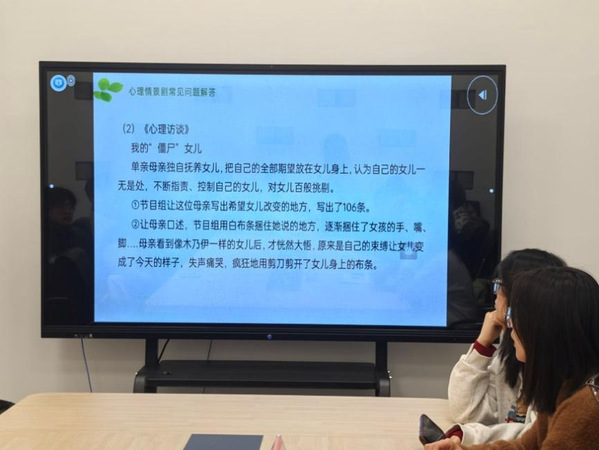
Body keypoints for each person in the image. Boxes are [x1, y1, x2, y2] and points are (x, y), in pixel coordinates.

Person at [424, 266, 599, 449]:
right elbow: (523, 446)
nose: (510, 325)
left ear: (544, 328)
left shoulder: (586, 408)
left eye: (513, 315)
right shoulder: (563, 386)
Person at [446, 249, 566, 445]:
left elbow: (533, 438)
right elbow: (466, 412)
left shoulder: (557, 367)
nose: (495, 296)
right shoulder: (513, 350)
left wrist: (469, 436)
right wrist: (482, 344)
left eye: (500, 286)